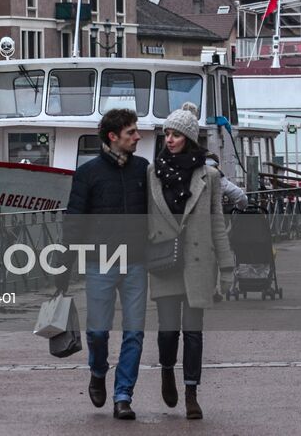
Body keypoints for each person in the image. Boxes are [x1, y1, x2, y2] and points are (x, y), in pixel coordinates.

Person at [58, 107, 148, 421]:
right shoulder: (88, 173)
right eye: (131, 133)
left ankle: (123, 396)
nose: (137, 137)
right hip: (100, 261)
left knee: (134, 333)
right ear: (113, 137)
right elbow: (75, 220)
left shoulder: (143, 170)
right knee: (98, 332)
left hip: (137, 261)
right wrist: (64, 265)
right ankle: (98, 371)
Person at [148, 102, 235, 421]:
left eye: (175, 134)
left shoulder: (208, 176)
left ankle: (191, 392)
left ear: (189, 138)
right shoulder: (153, 172)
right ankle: (167, 370)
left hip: (198, 262)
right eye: (166, 134)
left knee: (194, 333)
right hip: (163, 260)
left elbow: (217, 224)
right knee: (168, 331)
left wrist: (226, 268)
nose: (169, 139)